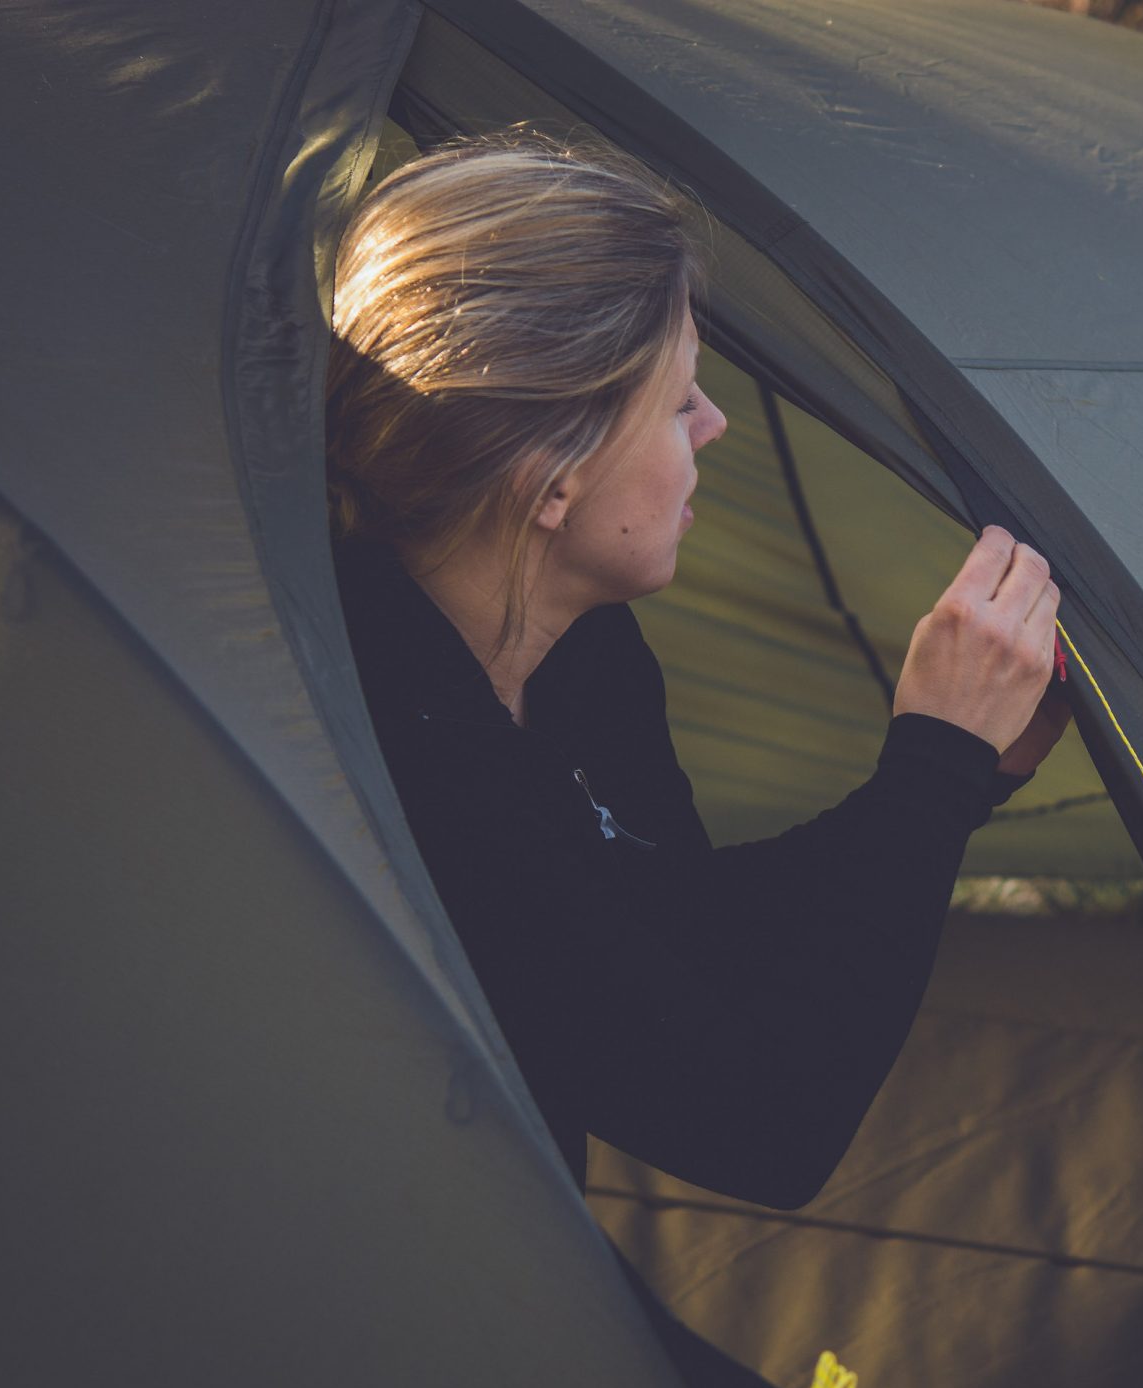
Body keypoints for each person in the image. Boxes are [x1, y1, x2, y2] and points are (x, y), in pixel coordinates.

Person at [324, 130, 1071, 1208]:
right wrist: (931, 765)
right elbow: (760, 1128)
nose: (716, 425)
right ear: (552, 481)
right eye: (679, 402)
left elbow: (677, 935)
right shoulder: (392, 753)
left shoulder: (582, 657)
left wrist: (963, 781)